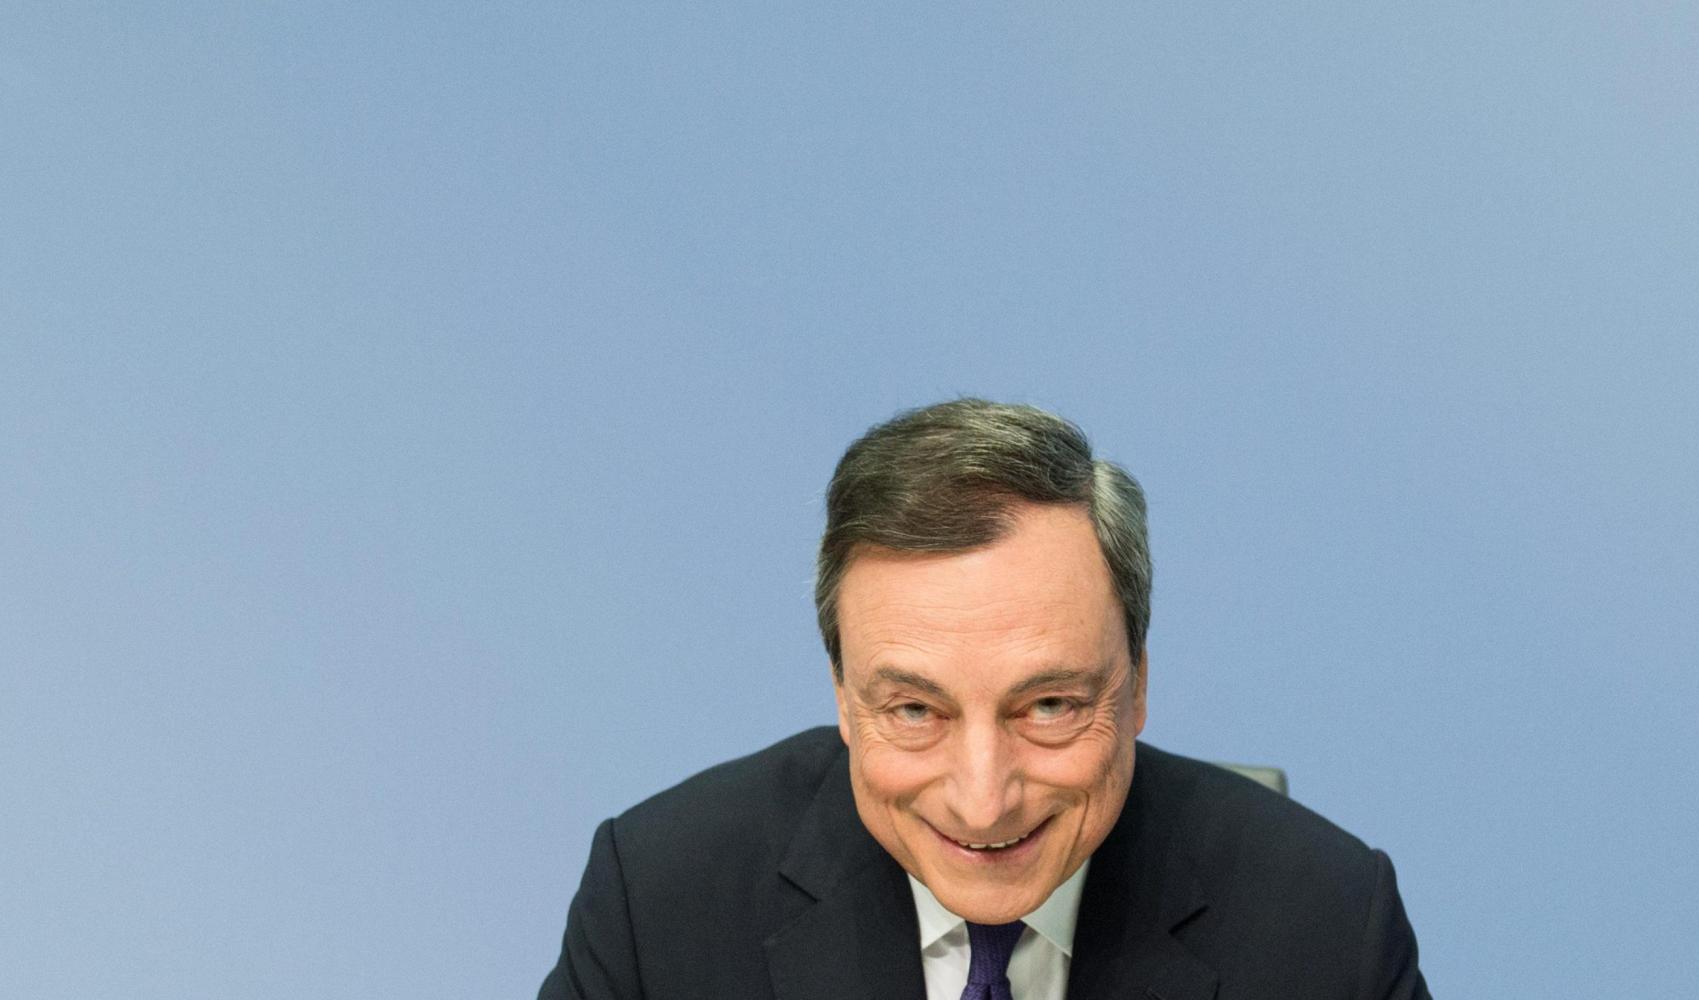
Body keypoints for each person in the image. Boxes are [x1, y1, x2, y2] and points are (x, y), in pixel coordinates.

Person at [539, 399, 1431, 1000]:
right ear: (844, 700)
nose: (982, 801)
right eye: (915, 712)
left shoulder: (1326, 930)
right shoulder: (659, 903)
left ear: (1138, 686)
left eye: (1048, 708)